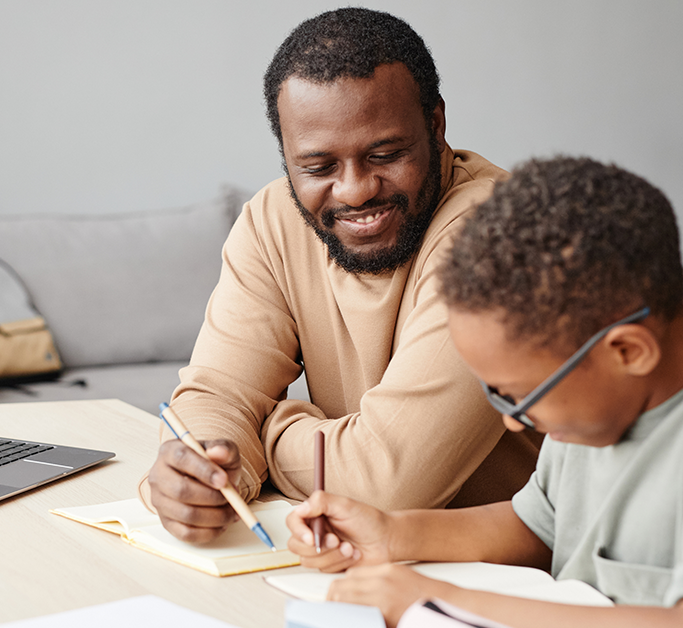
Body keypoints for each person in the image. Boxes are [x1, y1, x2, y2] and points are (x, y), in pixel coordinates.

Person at [285, 156, 683, 628]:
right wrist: (391, 533)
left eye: (519, 396)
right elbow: (536, 529)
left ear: (628, 352)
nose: (513, 421)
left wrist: (436, 601)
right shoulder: (592, 416)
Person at [141, 7, 541, 544]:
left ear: (437, 126)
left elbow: (389, 483)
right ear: (286, 158)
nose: (354, 191)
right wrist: (200, 468)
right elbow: (216, 396)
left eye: (386, 154)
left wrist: (269, 431)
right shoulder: (272, 221)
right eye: (318, 167)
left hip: (509, 579)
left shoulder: (502, 232)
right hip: (355, 564)